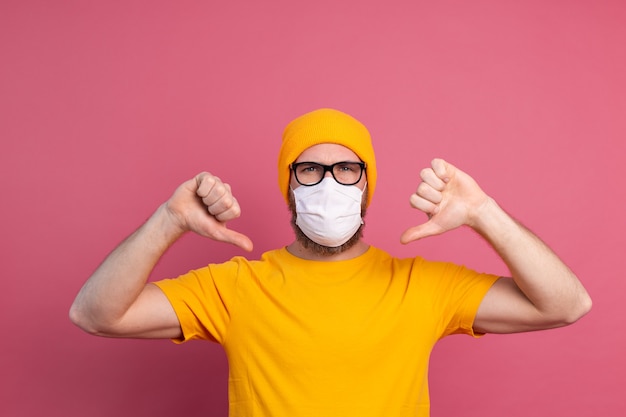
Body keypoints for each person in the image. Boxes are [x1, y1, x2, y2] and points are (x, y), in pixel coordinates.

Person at [70, 108, 591, 417]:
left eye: (346, 168)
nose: (327, 183)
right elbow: (96, 315)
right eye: (309, 170)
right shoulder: (234, 287)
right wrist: (169, 220)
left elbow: (567, 305)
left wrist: (483, 214)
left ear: (366, 186)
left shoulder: (422, 285)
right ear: (288, 187)